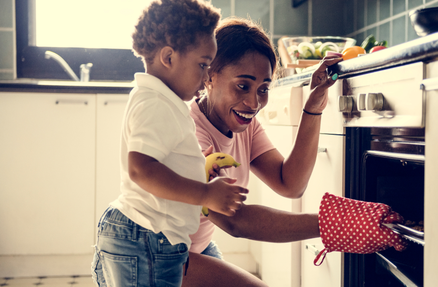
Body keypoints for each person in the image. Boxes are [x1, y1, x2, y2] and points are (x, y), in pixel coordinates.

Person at [182, 18, 406, 287]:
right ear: (210, 76)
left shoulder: (246, 126)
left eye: (263, 89)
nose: (254, 103)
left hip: (196, 247)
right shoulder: (191, 134)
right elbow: (235, 222)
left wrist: (314, 105)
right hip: (154, 250)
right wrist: (338, 223)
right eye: (243, 86)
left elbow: (290, 183)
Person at [91, 2, 249, 287]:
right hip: (146, 237)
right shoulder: (156, 103)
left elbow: (159, 162)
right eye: (202, 65)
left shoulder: (163, 101)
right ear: (168, 57)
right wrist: (204, 193)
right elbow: (141, 169)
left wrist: (195, 169)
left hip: (150, 237)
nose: (206, 76)